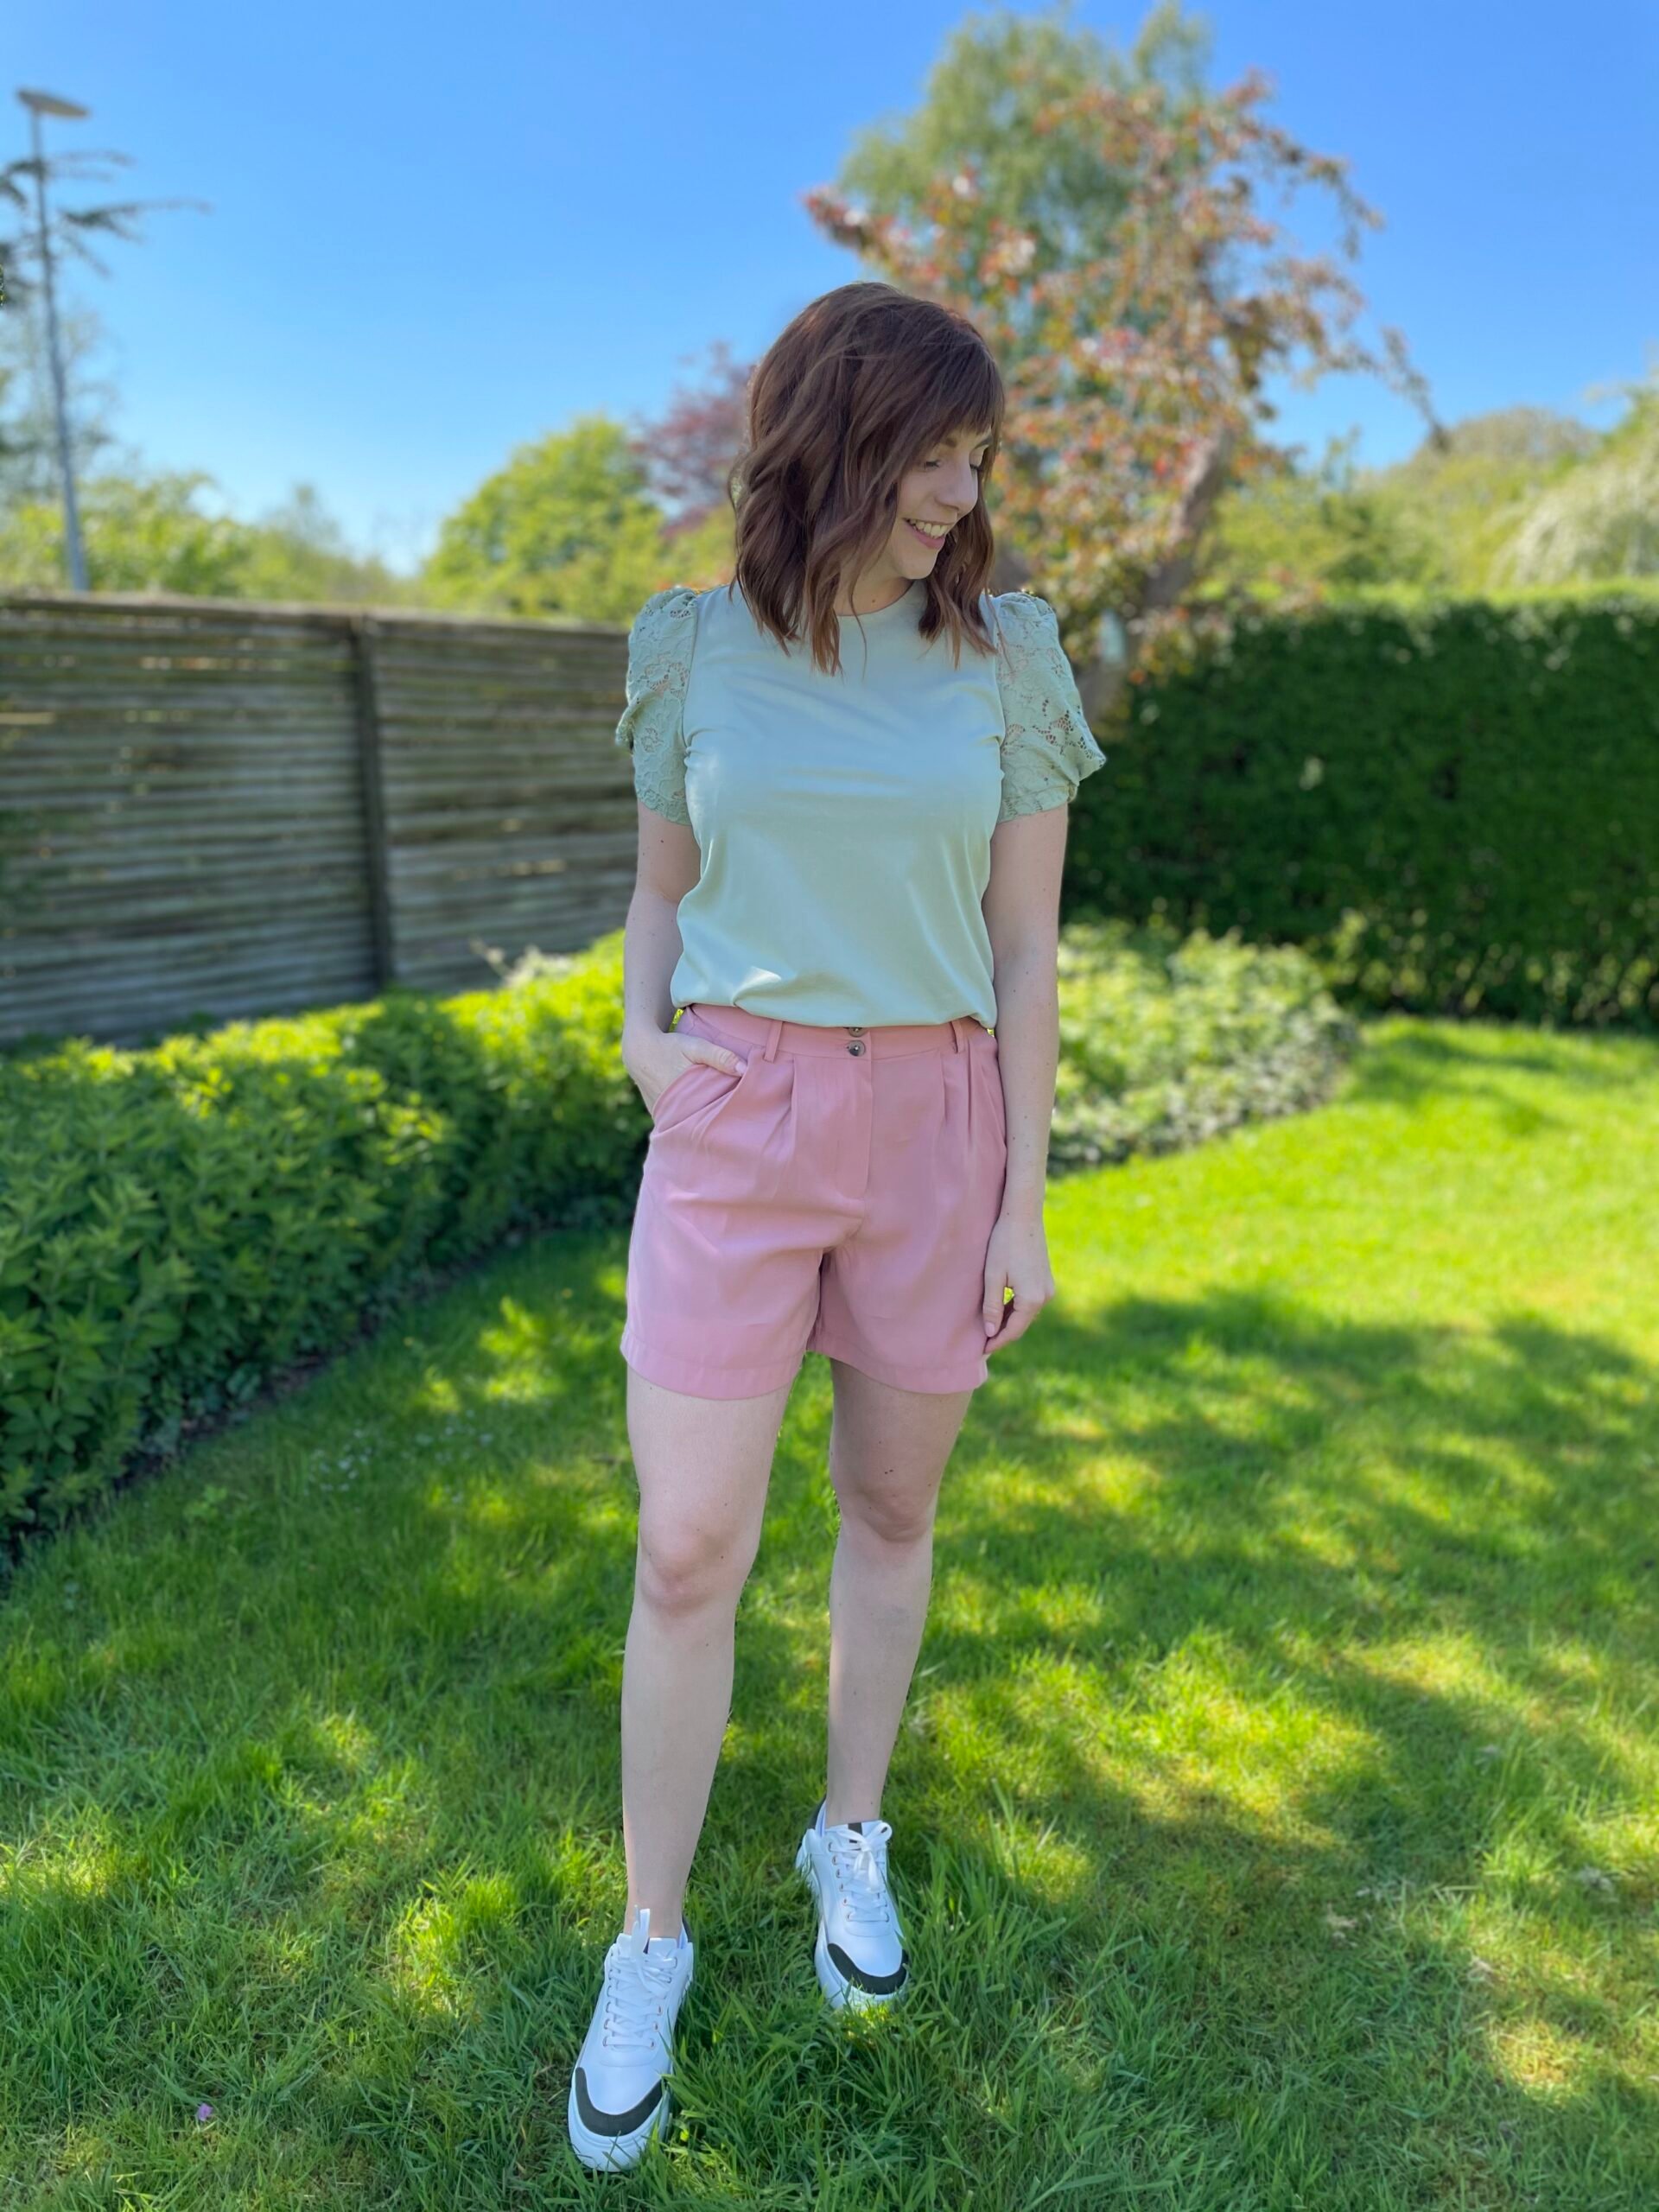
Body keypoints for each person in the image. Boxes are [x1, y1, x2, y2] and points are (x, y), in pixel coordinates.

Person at [567, 280, 1106, 2174]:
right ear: (832, 443)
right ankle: (650, 1934)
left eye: (978, 455)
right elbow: (662, 886)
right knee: (687, 1545)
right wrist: (644, 1042)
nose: (962, 490)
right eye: (930, 453)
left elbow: (1026, 948)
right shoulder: (693, 646)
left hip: (939, 1122)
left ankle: (843, 1831)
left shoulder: (1008, 655)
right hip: (737, 1115)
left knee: (890, 1506)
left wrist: (1023, 1196)